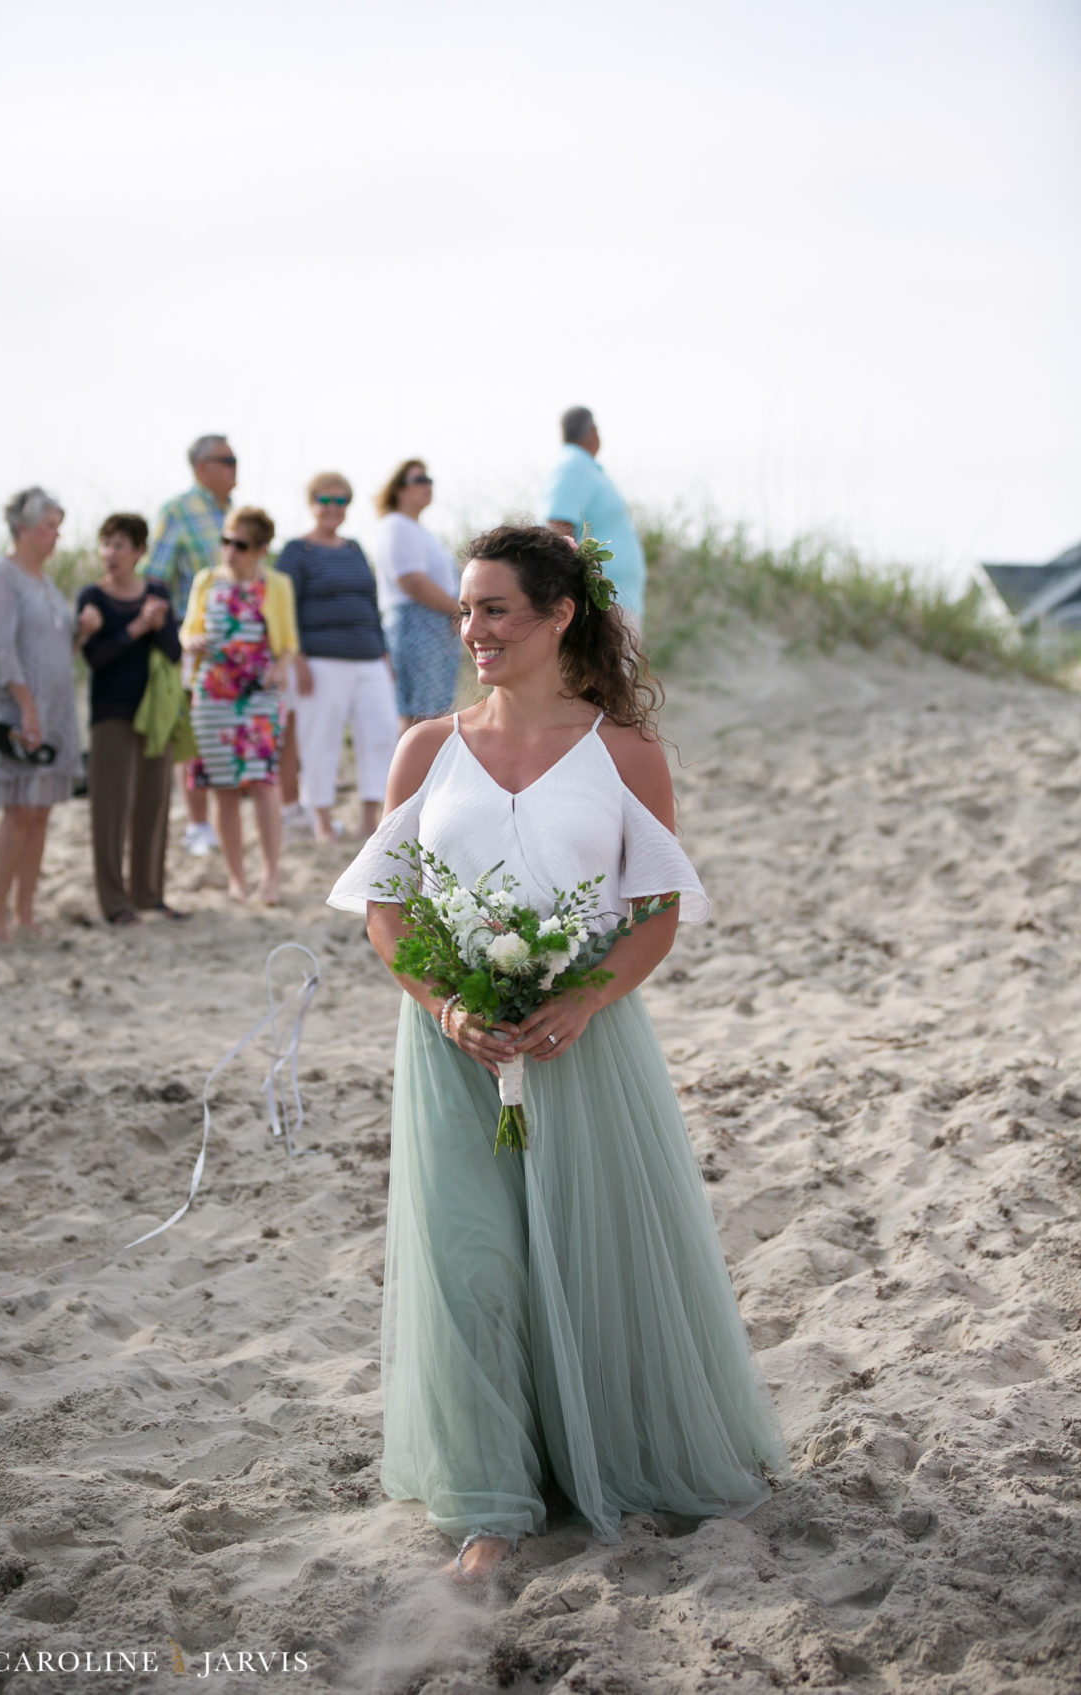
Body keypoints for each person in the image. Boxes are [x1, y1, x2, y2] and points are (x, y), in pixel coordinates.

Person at [326, 524, 786, 1583]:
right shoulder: (424, 748)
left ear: (558, 613)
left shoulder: (624, 754)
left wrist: (583, 995)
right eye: (464, 611)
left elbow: (656, 914)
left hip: (582, 1043)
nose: (472, 630)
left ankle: (599, 1463)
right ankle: (491, 1501)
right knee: (470, 1264)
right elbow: (386, 910)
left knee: (590, 1256)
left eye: (494, 609)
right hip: (453, 1046)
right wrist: (445, 1004)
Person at [0, 488, 81, 943]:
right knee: (17, 811)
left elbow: (57, 647)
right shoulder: (0, 577)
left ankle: (25, 911)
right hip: (17, 712)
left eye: (58, 526)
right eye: (49, 526)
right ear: (23, 528)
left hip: (53, 711)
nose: (56, 535)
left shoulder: (46, 581)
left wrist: (84, 629)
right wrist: (27, 709)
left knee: (40, 812)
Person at [181, 505, 299, 906]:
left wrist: (280, 669)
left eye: (241, 545)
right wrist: (191, 641)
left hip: (259, 695)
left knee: (263, 783)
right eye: (226, 541)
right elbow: (188, 630)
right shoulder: (206, 581)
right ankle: (236, 879)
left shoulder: (277, 584)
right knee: (224, 788)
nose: (230, 551)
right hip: (212, 694)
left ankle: (271, 877)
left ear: (261, 549)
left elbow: (289, 643)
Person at [75, 514, 186, 926]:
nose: (111, 553)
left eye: (120, 545)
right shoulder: (92, 597)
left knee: (154, 803)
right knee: (110, 807)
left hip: (155, 713)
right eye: (106, 543)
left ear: (139, 551)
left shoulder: (156, 592)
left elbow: (174, 652)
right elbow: (95, 657)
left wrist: (160, 626)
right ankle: (114, 903)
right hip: (111, 713)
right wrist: (137, 627)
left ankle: (149, 895)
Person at [276, 472, 397, 842]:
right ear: (312, 503)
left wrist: (384, 655)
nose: (333, 507)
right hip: (319, 659)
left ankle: (370, 819)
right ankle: (323, 821)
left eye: (340, 500)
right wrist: (297, 659)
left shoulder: (355, 549)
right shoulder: (297, 551)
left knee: (381, 734)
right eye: (325, 500)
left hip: (369, 657)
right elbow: (283, 609)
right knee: (320, 739)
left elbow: (370, 605)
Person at [144, 433, 239, 857]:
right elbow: (154, 575)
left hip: (241, 648)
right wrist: (174, 639)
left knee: (228, 737)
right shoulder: (178, 511)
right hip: (196, 646)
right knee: (195, 737)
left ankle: (222, 824)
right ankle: (198, 825)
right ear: (203, 467)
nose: (235, 467)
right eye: (227, 460)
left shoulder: (235, 515)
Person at [541, 407, 647, 634]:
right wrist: (575, 587)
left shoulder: (585, 468)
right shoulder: (573, 465)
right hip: (598, 605)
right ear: (593, 432)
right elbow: (558, 526)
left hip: (614, 603)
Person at [373, 459, 460, 730]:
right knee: (418, 716)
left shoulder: (419, 530)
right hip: (417, 625)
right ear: (399, 489)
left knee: (434, 713)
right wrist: (458, 611)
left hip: (435, 625)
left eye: (428, 480)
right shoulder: (396, 525)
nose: (427, 486)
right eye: (419, 480)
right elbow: (411, 581)